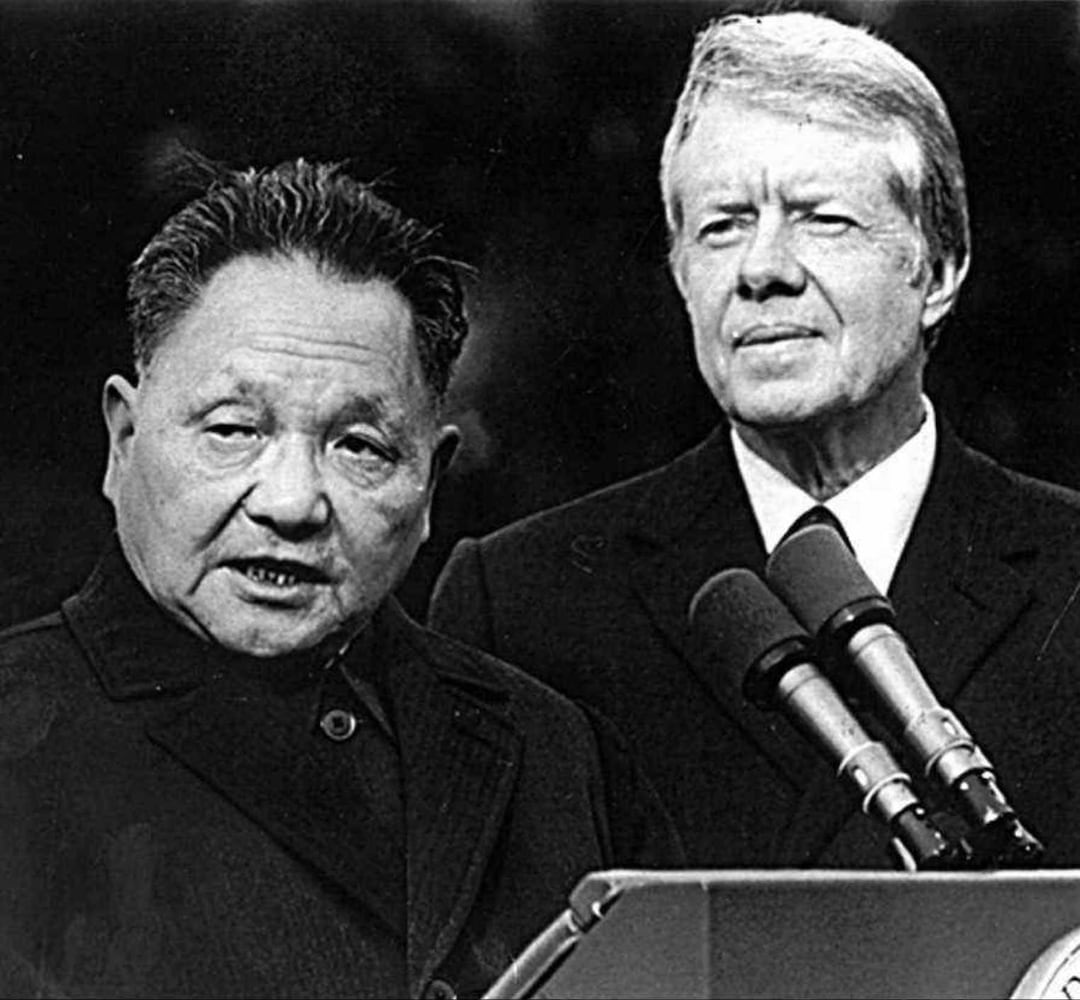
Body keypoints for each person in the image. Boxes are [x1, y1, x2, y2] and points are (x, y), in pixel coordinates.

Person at [0, 158, 681, 999]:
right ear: (124, 442)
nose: (291, 503)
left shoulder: (561, 758)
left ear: (431, 482)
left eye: (359, 447)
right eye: (234, 430)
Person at [430, 11, 1080, 870]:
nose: (761, 268)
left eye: (822, 219)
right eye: (723, 225)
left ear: (940, 268)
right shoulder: (521, 604)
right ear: (680, 273)